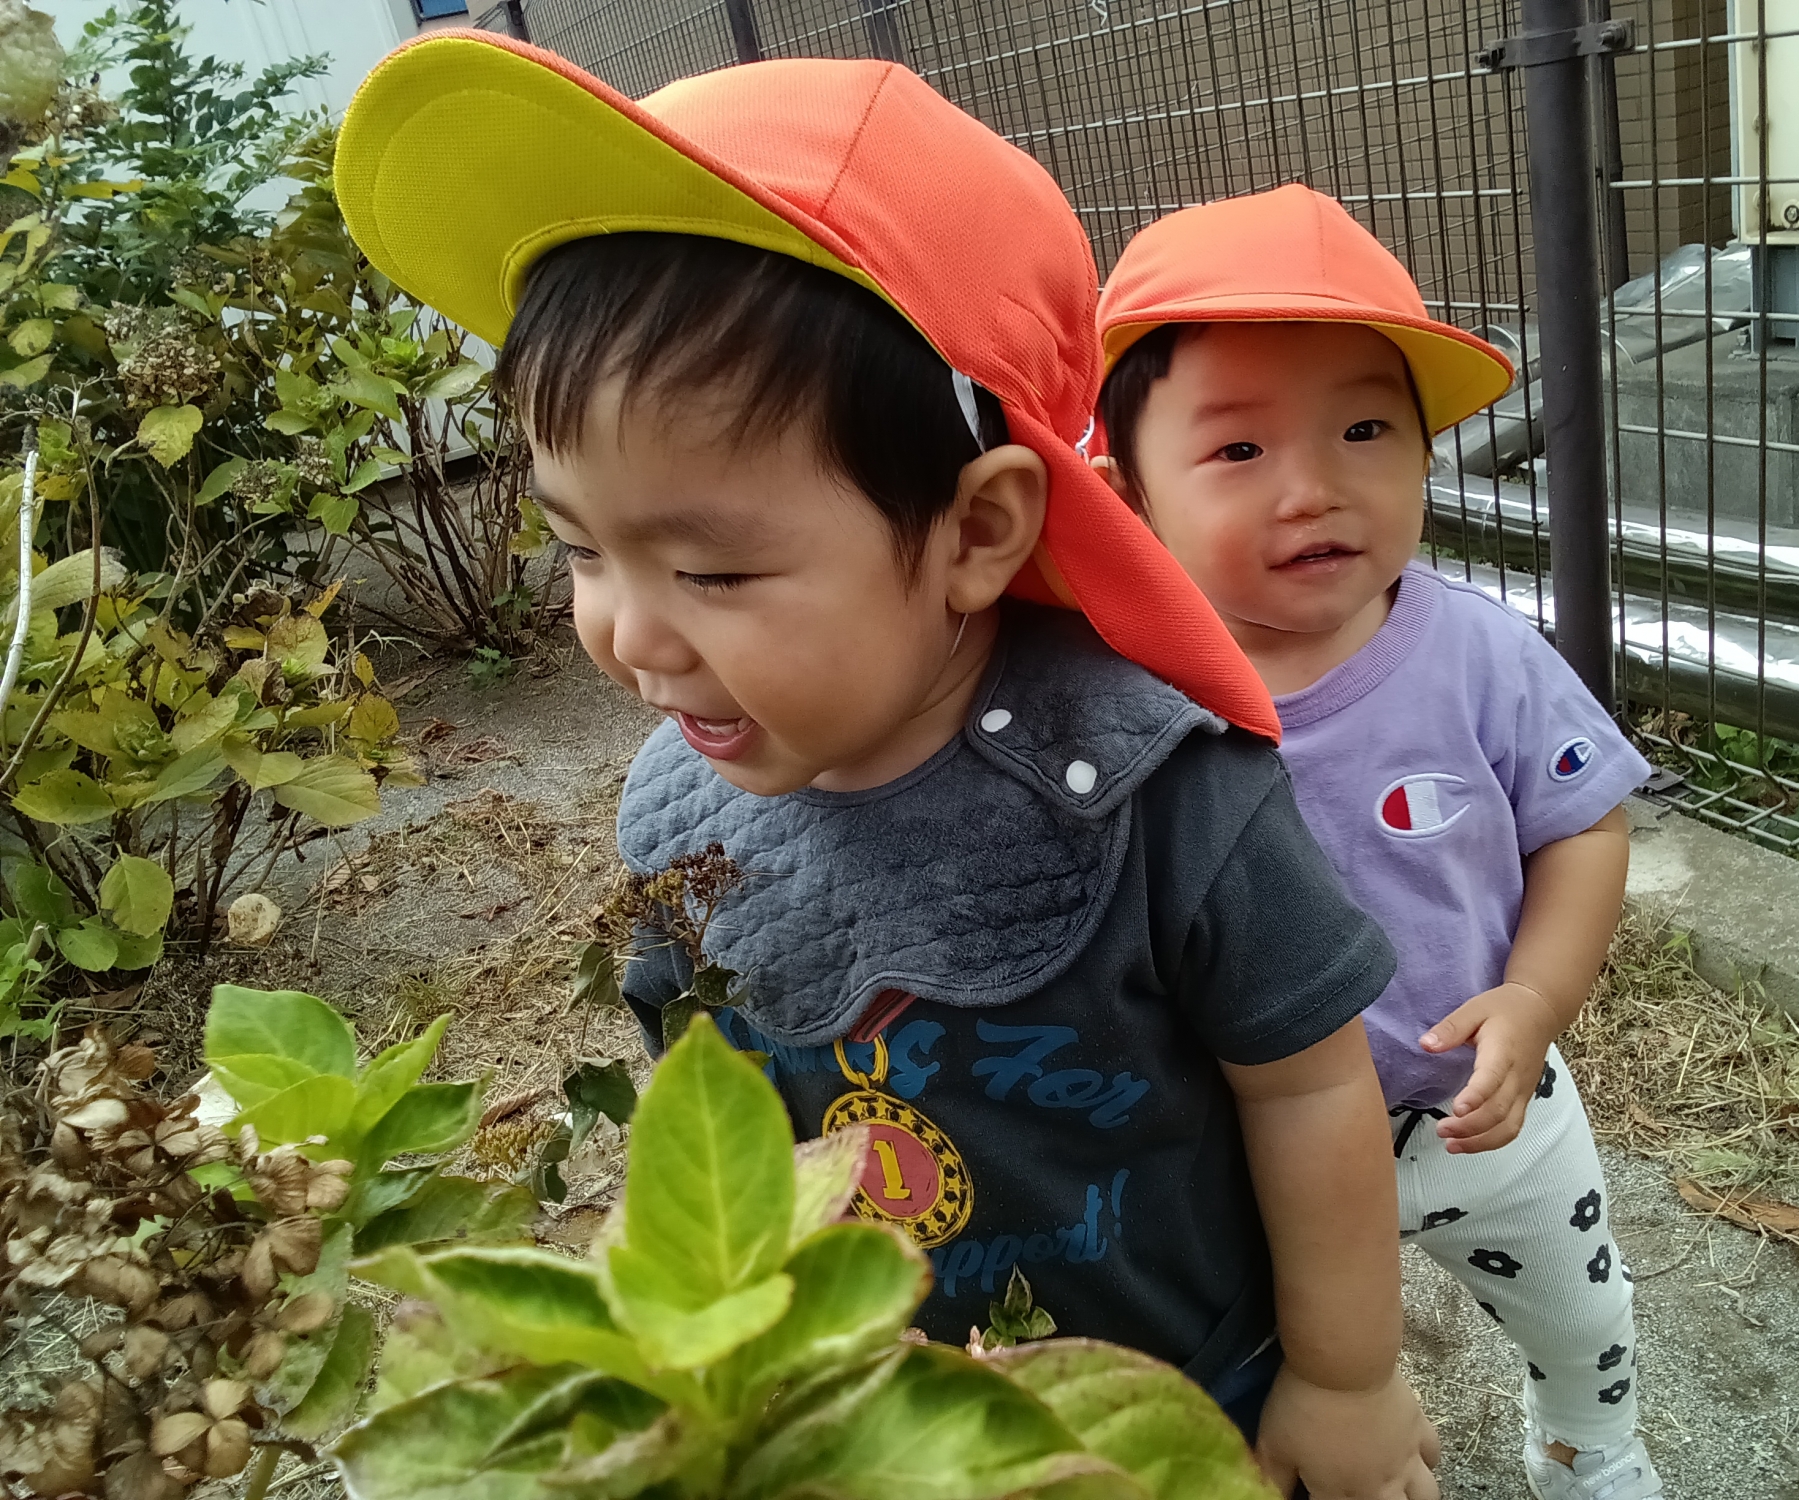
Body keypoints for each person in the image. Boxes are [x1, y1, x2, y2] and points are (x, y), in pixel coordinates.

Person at [336, 37, 1440, 1499]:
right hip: (873, 1422)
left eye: (713, 570)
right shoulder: (680, 818)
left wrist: (1345, 1374)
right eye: (581, 548)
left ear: (977, 530)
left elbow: (1307, 1091)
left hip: (1188, 1398)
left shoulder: (1163, 795)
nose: (628, 636)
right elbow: (706, 1096)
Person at [1092, 184, 1663, 1500]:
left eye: (1364, 429)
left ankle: (1592, 1450)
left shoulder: (1481, 658)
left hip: (1479, 1109)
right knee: (1267, 1375)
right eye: (1239, 449)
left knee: (1583, 1316)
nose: (1314, 489)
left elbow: (1583, 827)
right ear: (1129, 494)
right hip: (1245, 1146)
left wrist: (1535, 997)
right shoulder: (1130, 701)